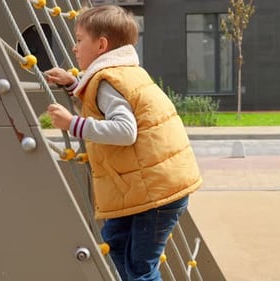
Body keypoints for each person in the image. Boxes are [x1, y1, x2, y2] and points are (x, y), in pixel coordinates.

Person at [44, 5, 202, 281]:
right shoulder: (123, 72)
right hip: (149, 186)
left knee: (140, 268)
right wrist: (73, 84)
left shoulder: (108, 81)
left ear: (101, 45)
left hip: (154, 193)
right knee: (116, 242)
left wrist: (73, 124)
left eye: (80, 40)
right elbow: (105, 105)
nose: (74, 47)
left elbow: (125, 130)